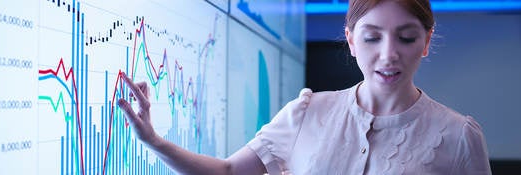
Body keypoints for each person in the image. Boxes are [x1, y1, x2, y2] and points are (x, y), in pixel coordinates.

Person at [117, 0, 492, 174]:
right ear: (350, 41)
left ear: (426, 42)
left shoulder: (458, 135)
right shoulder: (307, 111)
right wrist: (154, 141)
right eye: (372, 38)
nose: (388, 55)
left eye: (407, 38)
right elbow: (228, 172)